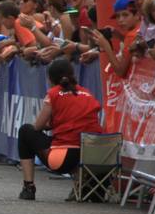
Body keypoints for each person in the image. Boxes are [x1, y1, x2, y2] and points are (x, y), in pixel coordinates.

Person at [16, 57, 102, 200]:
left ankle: (28, 187)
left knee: (26, 131)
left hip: (64, 157)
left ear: (50, 78)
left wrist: (51, 124)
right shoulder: (87, 94)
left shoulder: (54, 94)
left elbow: (38, 125)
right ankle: (83, 183)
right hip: (92, 155)